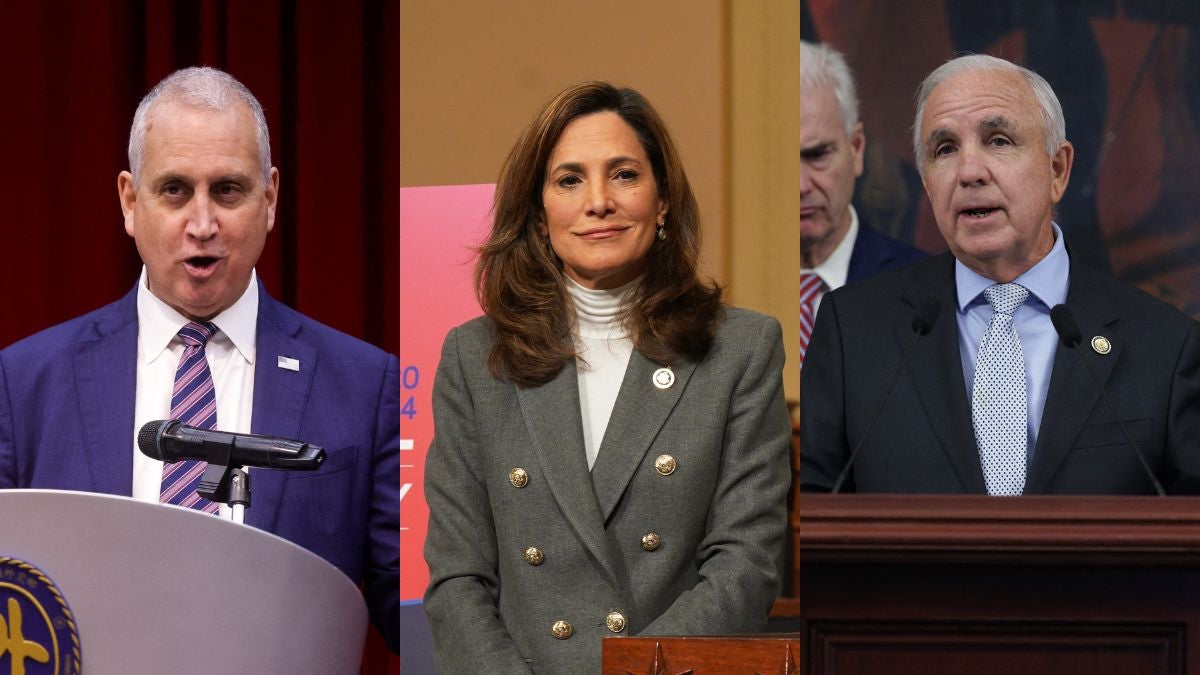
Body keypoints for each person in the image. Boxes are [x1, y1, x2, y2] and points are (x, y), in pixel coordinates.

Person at [0, 67, 399, 650]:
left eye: (228, 190)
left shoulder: (365, 385)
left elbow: (415, 612)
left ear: (270, 199)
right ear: (130, 201)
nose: (203, 224)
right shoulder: (23, 384)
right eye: (175, 190)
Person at [423, 81, 791, 673]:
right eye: (569, 180)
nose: (598, 201)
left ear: (663, 200)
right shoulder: (475, 357)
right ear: (539, 214)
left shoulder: (740, 349)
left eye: (624, 175)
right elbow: (458, 576)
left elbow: (746, 565)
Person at [800, 54, 1200, 495]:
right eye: (945, 149)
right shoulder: (851, 331)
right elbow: (812, 507)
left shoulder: (1167, 347)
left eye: (999, 141)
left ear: (1057, 170)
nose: (970, 172)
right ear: (927, 183)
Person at [800, 40, 924, 360]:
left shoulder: (924, 289)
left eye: (817, 155)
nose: (800, 186)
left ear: (856, 149)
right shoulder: (726, 293)